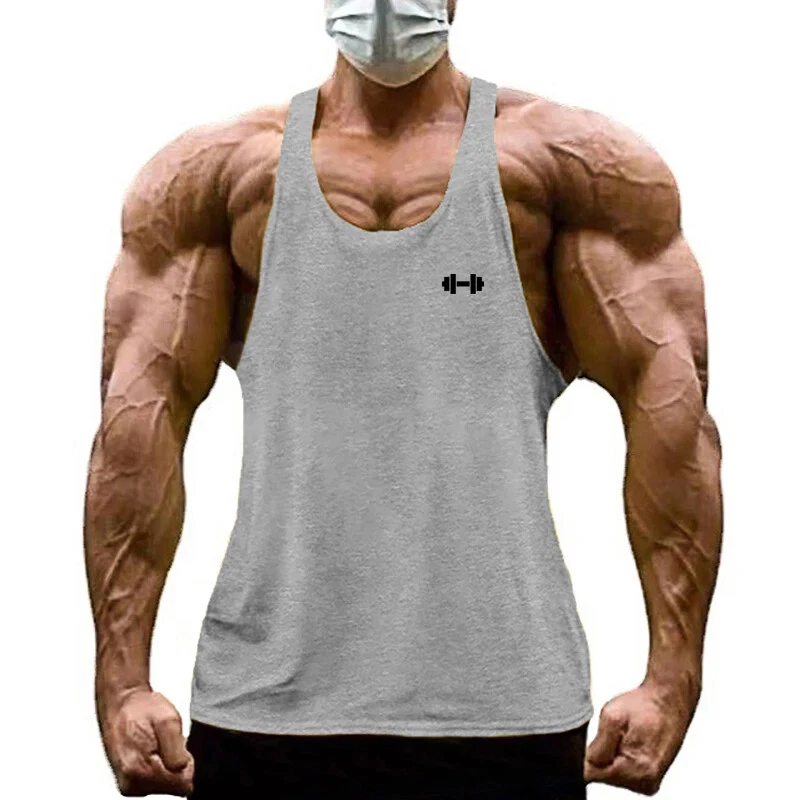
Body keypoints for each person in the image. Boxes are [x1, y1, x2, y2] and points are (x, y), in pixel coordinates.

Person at [83, 1, 724, 797]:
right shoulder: (216, 177)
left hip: (507, 710)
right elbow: (137, 423)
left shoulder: (572, 169)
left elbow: (674, 415)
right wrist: (122, 680)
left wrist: (672, 677)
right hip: (264, 706)